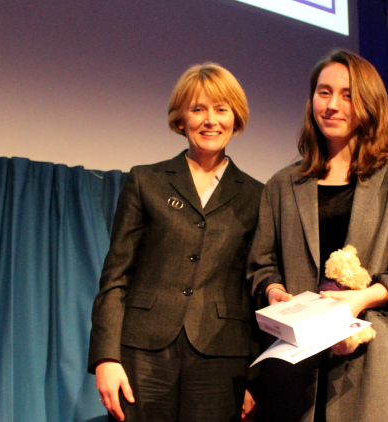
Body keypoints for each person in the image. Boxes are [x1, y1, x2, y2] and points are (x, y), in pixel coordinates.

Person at [247, 49, 388, 422]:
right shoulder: (283, 185)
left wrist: (358, 300)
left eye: (347, 94)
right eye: (323, 92)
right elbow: (261, 265)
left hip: (372, 370)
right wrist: (274, 291)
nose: (332, 105)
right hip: (296, 373)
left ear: (370, 103)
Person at [88, 63, 263, 422]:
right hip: (143, 353)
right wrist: (106, 358)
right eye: (198, 109)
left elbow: (255, 291)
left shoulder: (258, 195)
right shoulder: (146, 181)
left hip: (222, 358)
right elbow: (116, 277)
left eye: (221, 109)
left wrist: (255, 378)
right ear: (181, 119)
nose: (210, 120)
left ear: (236, 118)